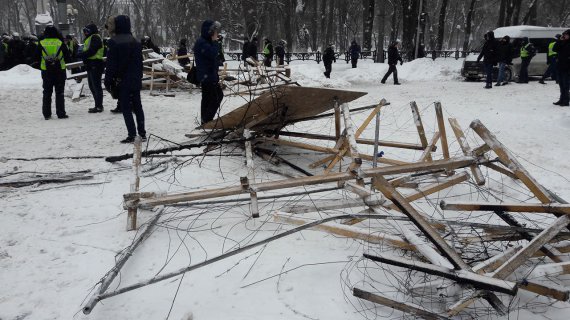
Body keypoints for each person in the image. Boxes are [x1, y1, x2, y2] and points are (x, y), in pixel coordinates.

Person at [105, 15, 146, 143]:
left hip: (122, 80)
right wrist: (139, 77)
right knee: (138, 106)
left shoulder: (113, 42)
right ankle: (142, 133)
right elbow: (140, 63)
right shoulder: (136, 42)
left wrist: (108, 81)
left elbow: (111, 65)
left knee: (126, 108)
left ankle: (132, 134)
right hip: (135, 79)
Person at [193, 20, 224, 124]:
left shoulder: (204, 41)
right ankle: (207, 120)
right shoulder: (202, 42)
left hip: (208, 75)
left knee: (207, 98)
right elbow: (213, 53)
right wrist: (216, 41)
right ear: (210, 31)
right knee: (217, 96)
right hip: (208, 76)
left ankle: (205, 121)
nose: (216, 33)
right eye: (215, 31)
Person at [38, 25, 69, 120]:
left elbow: (35, 56)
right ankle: (61, 113)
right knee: (59, 92)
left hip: (46, 71)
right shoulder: (60, 42)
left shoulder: (41, 43)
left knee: (47, 92)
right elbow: (67, 57)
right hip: (60, 71)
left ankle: (46, 114)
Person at [79, 23, 105, 113]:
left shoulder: (95, 37)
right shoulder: (90, 38)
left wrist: (81, 55)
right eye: (84, 31)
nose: (85, 33)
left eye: (87, 31)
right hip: (91, 64)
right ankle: (97, 105)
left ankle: (99, 106)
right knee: (92, 85)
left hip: (96, 64)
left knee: (96, 86)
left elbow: (92, 51)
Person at [553, 30, 570, 106]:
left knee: (566, 85)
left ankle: (566, 101)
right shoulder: (562, 42)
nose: (564, 36)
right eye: (564, 35)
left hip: (567, 67)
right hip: (560, 66)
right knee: (561, 84)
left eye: (566, 35)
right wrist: (559, 41)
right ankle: (561, 99)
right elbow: (555, 49)